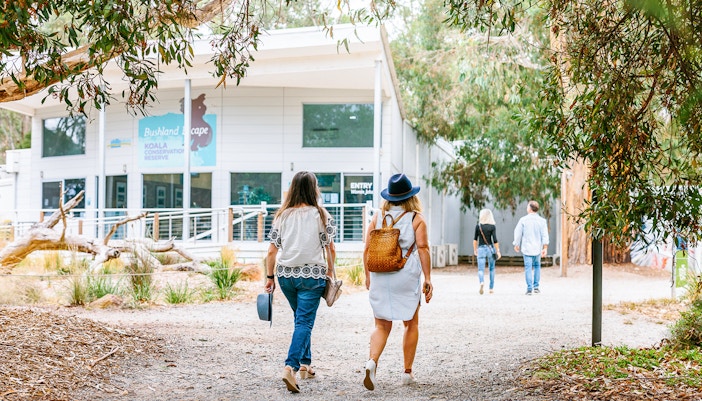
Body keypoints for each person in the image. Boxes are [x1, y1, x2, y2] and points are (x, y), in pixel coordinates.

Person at [264, 171, 337, 393]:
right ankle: (290, 367)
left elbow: (271, 251)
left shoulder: (282, 216)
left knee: (300, 319)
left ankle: (306, 365)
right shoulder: (321, 215)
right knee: (304, 322)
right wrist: (331, 273)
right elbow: (330, 248)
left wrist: (269, 277)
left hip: (286, 276)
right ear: (313, 188)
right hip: (312, 277)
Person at [362, 173, 433, 391]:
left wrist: (367, 275)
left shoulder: (378, 216)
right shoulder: (416, 218)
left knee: (381, 325)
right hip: (405, 275)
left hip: (380, 275)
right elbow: (422, 248)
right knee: (410, 323)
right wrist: (428, 278)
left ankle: (372, 362)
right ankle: (407, 373)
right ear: (411, 196)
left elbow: (366, 249)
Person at [513, 200, 549, 295]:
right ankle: (536, 287)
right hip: (537, 248)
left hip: (527, 248)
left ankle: (529, 289)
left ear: (530, 208)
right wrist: (545, 248)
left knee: (528, 268)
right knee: (537, 266)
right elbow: (545, 235)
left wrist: (516, 244)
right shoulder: (542, 221)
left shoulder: (523, 220)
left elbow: (518, 233)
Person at [473, 208, 501, 295]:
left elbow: (475, 240)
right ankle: (491, 288)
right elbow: (495, 240)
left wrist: (475, 249)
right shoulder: (492, 227)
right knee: (491, 269)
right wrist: (498, 251)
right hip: (490, 249)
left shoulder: (478, 226)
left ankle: (481, 282)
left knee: (480, 269)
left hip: (481, 249)